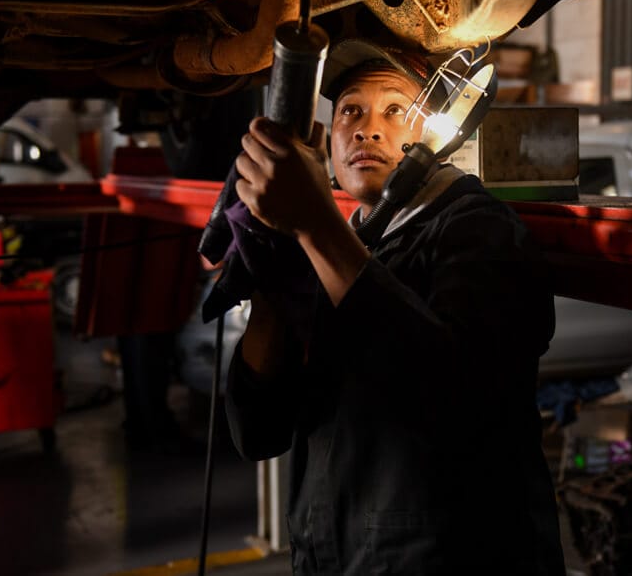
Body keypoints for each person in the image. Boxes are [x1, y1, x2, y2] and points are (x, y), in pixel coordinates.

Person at [223, 40, 565, 574]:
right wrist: (272, 260)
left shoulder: (477, 229)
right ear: (329, 143)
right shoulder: (331, 247)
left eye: (395, 109)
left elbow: (450, 398)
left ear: (429, 130)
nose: (367, 128)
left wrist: (315, 225)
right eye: (350, 111)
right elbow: (258, 431)